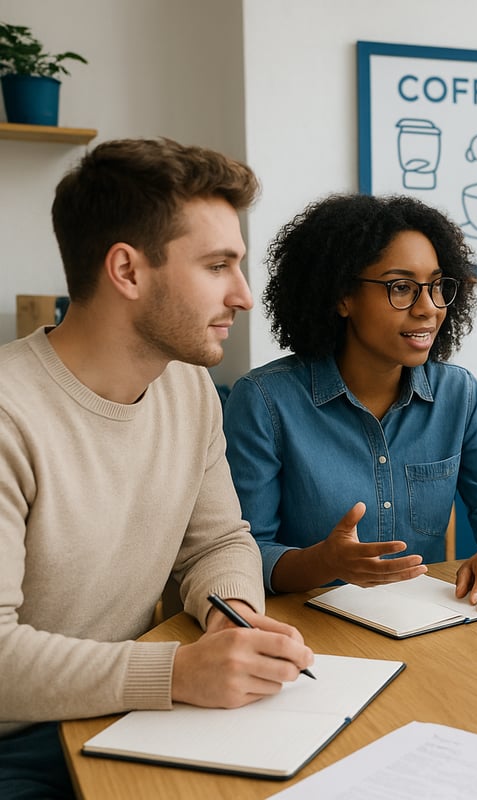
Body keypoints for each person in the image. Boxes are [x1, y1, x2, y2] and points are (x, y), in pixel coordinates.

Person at [0, 138, 314, 799]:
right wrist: (177, 673)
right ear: (127, 270)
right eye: (218, 265)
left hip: (128, 716)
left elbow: (220, 541)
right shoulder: (10, 414)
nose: (244, 295)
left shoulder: (188, 388)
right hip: (16, 745)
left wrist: (233, 616)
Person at [223, 193, 477, 613]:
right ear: (342, 296)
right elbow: (244, 553)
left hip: (422, 623)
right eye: (402, 288)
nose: (428, 309)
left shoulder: (457, 394)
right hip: (307, 633)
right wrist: (324, 563)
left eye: (436, 286)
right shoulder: (265, 401)